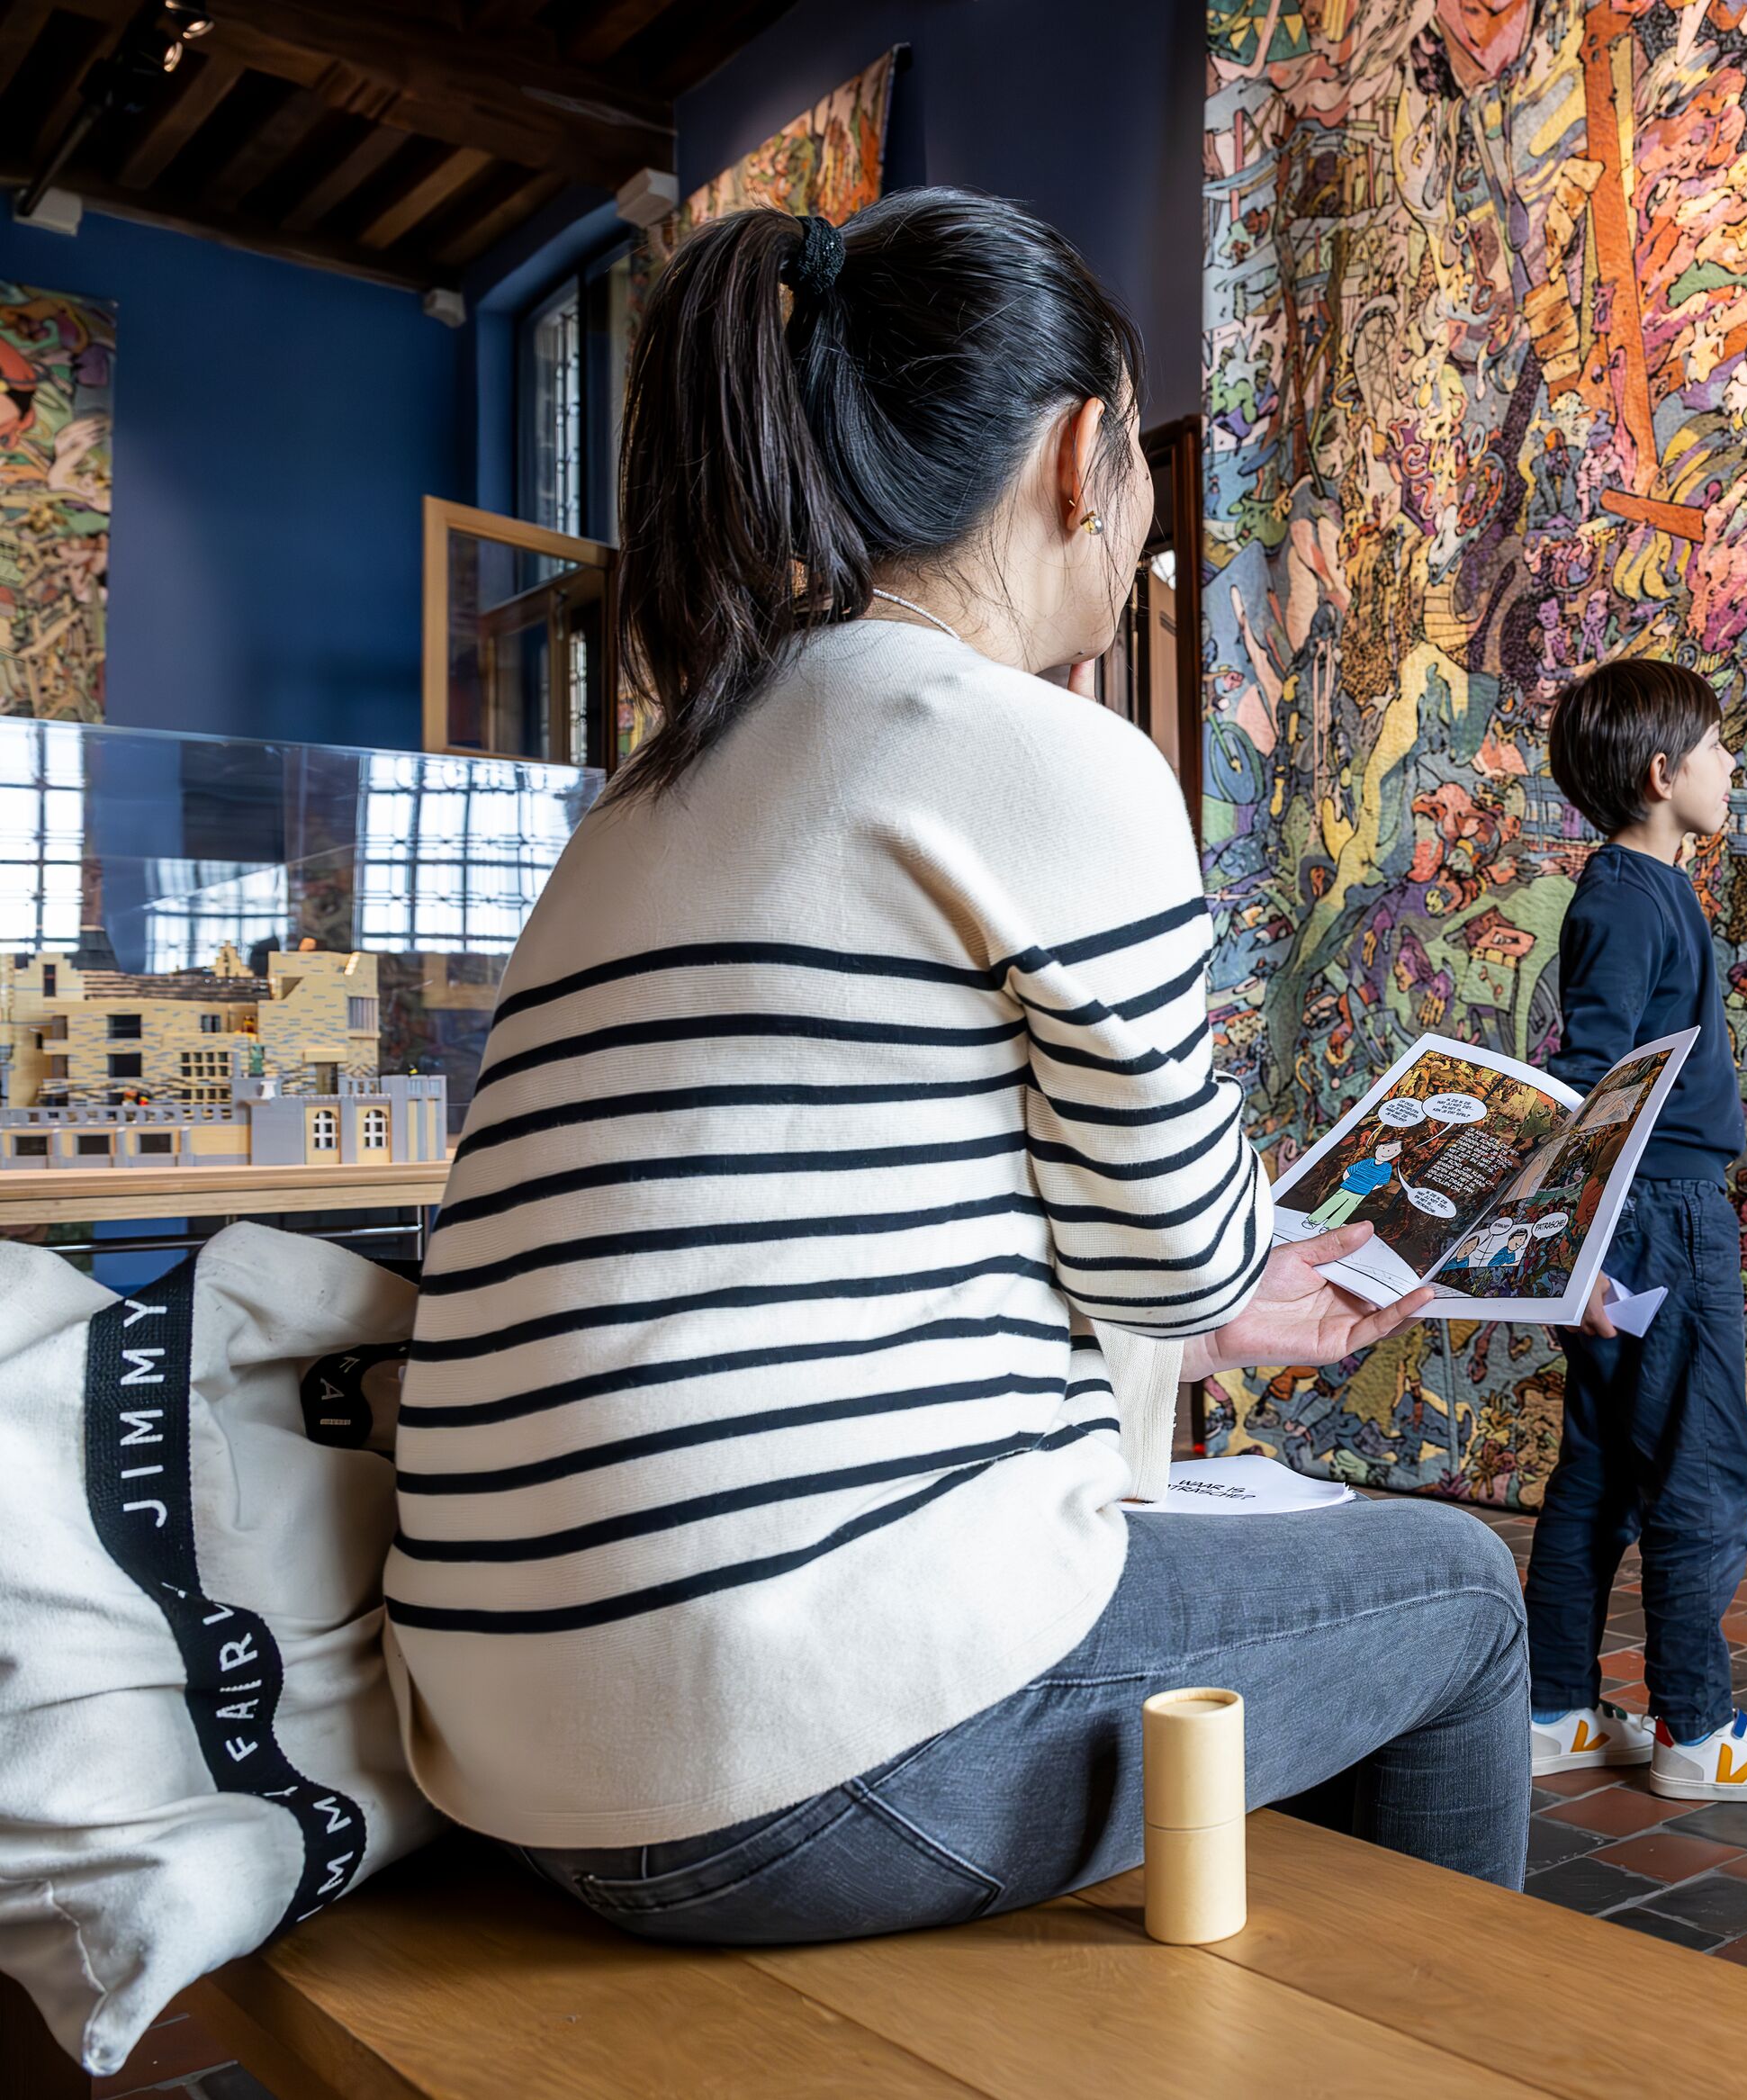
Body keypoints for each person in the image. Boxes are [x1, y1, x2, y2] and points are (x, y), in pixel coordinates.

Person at [384, 191, 1530, 1942]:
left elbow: (808, 1254)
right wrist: (1230, 1288)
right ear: (1084, 455)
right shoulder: (1038, 749)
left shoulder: (649, 790)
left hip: (499, 1736)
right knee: (1454, 1588)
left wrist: (1212, 1318)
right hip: (774, 1755)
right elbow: (1175, 1255)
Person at [1525, 661, 1747, 1802]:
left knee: (1603, 1467)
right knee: (1702, 1468)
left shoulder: (1645, 888)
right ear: (1662, 775)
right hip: (1657, 1214)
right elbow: (1588, 1080)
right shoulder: (1624, 899)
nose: (1731, 763)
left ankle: (1554, 1709)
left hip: (1643, 1210)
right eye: (1715, 747)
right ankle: (1697, 1731)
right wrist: (1580, 1251)